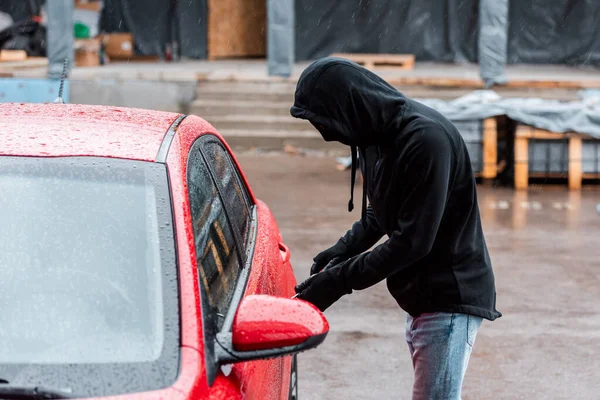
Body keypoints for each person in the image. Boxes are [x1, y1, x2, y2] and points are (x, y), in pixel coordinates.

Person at [290, 57, 502, 400]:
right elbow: (383, 209)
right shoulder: (374, 135)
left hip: (450, 297)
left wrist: (339, 281)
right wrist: (345, 246)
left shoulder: (425, 141)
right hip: (422, 296)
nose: (325, 134)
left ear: (350, 108)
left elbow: (413, 241)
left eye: (322, 122)